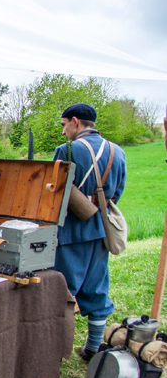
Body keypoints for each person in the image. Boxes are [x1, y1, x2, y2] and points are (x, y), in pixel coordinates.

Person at [53, 104, 126, 362]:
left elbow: (54, 191)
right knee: (96, 291)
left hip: (71, 231)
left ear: (75, 122)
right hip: (101, 230)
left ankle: (53, 351)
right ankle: (93, 348)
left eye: (64, 125)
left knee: (60, 293)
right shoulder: (117, 152)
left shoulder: (68, 150)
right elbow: (117, 192)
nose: (63, 132)